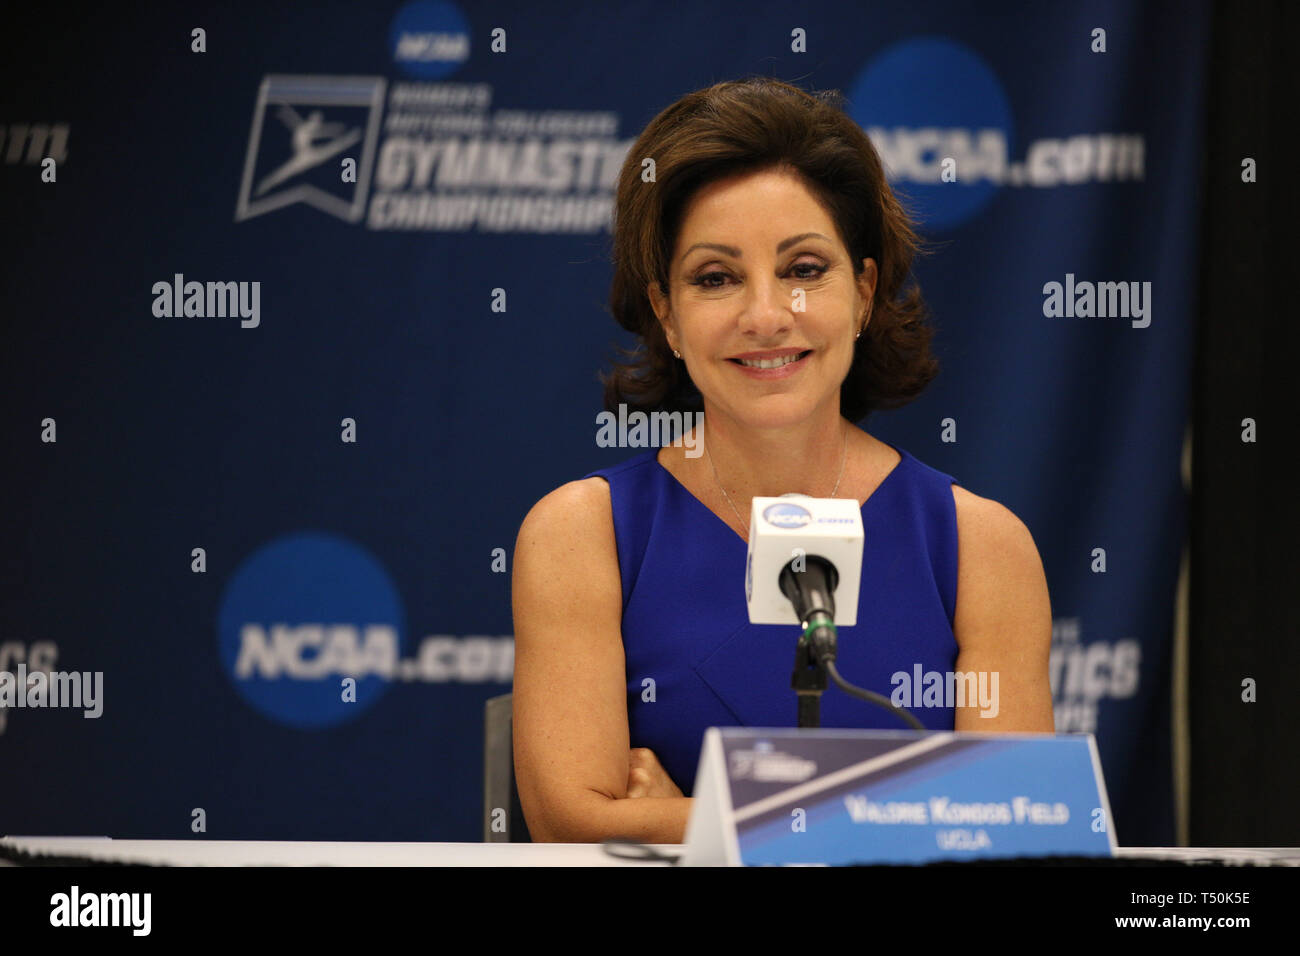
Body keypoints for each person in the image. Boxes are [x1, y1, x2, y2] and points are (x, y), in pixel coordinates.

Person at [511, 77, 1053, 845]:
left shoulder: (983, 546)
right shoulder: (582, 534)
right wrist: (901, 812)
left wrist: (701, 812)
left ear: (863, 292)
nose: (767, 316)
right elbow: (576, 826)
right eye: (715, 278)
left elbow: (1016, 829)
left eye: (803, 269)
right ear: (666, 314)